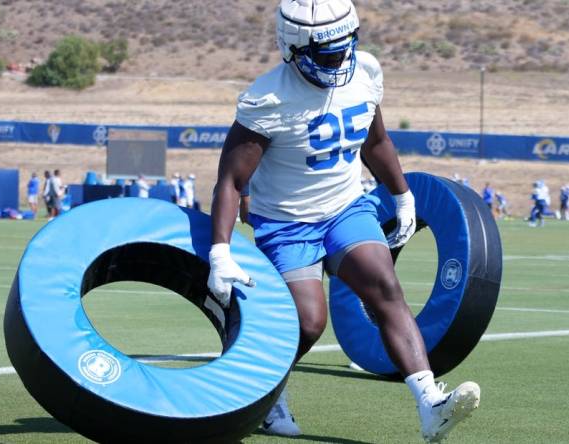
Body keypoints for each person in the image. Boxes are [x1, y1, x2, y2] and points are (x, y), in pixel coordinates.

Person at [206, 2, 480, 442]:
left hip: (345, 208)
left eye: (344, 48)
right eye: (327, 53)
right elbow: (231, 180)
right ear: (292, 48)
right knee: (309, 321)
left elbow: (377, 142)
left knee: (384, 285)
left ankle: (430, 404)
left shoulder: (366, 71)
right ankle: (266, 393)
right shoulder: (267, 99)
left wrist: (403, 196)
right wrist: (220, 251)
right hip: (286, 222)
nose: (340, 61)